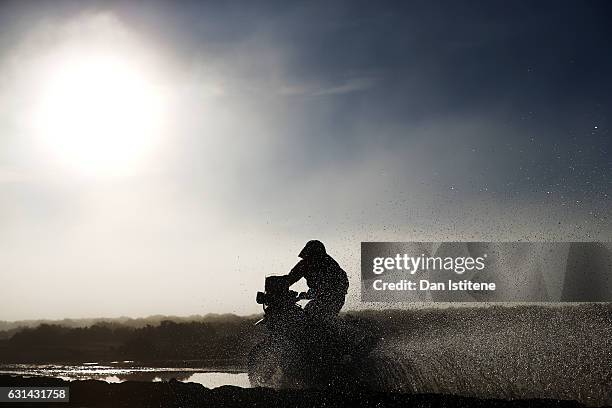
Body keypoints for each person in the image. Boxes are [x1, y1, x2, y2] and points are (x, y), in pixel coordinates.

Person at [284, 240, 349, 319]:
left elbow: (338, 285)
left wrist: (310, 294)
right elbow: (289, 279)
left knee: (311, 318)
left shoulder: (330, 265)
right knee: (306, 315)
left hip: (333, 300)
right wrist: (277, 287)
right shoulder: (305, 264)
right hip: (327, 298)